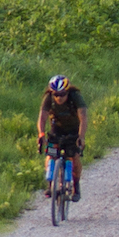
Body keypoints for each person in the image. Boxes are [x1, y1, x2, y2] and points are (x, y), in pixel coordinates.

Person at [37, 73, 89, 201]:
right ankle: (50, 185)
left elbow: (83, 117)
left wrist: (81, 137)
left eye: (62, 94)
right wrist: (41, 134)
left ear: (67, 91)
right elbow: (42, 118)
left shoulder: (75, 97)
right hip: (57, 129)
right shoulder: (48, 98)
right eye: (56, 95)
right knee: (50, 155)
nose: (59, 98)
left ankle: (76, 186)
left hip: (73, 131)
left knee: (74, 157)